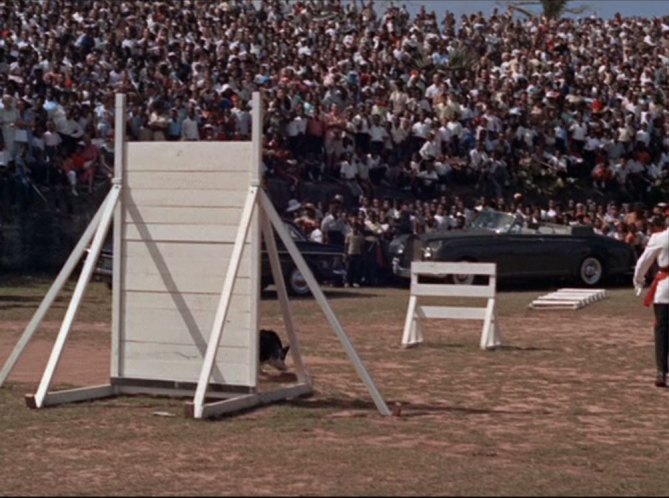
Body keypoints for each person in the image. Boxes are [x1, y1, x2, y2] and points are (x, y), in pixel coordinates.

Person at [633, 215, 669, 387]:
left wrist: (638, 280)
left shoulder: (659, 238)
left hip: (665, 289)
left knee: (662, 331)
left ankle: (662, 372)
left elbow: (643, 262)